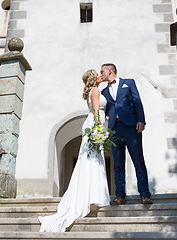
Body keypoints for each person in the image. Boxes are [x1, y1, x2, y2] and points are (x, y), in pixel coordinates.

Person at [38, 69, 110, 232]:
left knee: (90, 160)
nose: (100, 75)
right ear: (94, 78)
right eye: (97, 74)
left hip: (89, 123)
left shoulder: (90, 91)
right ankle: (91, 197)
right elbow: (97, 111)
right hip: (94, 125)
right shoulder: (96, 90)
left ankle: (90, 196)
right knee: (93, 161)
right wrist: (99, 129)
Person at [100, 63, 152, 205]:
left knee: (138, 161)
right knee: (117, 163)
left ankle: (145, 194)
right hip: (115, 128)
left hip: (131, 126)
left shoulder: (128, 83)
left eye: (102, 71)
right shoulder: (104, 92)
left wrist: (141, 120)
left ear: (110, 71)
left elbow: (137, 102)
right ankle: (120, 195)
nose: (101, 74)